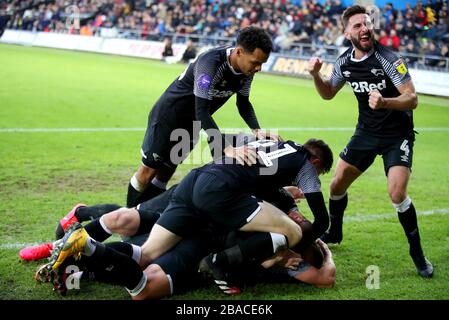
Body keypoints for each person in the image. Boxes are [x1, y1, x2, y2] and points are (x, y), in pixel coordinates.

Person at [33, 184, 335, 298]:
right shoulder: (277, 238)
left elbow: (322, 275)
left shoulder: (277, 229)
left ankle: (75, 263)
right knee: (142, 276)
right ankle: (80, 245)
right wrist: (318, 250)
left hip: (191, 214)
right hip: (195, 228)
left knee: (135, 243)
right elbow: (324, 276)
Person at [307, 5, 433, 278]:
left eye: (367, 24)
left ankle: (418, 254)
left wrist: (385, 101)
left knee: (397, 194)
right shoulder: (344, 62)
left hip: (396, 136)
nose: (365, 29)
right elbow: (328, 93)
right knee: (337, 184)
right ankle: (336, 232)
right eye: (357, 26)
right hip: (365, 133)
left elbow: (412, 98)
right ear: (346, 33)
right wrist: (316, 75)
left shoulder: (389, 59)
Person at [126, 26, 278, 208]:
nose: (258, 68)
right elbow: (202, 110)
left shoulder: (247, 72)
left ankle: (141, 218)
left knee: (165, 173)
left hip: (192, 125)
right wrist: (225, 147)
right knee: (147, 173)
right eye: (255, 62)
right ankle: (126, 222)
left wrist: (258, 130)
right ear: (239, 52)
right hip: (169, 117)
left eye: (262, 63)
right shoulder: (210, 63)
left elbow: (243, 103)